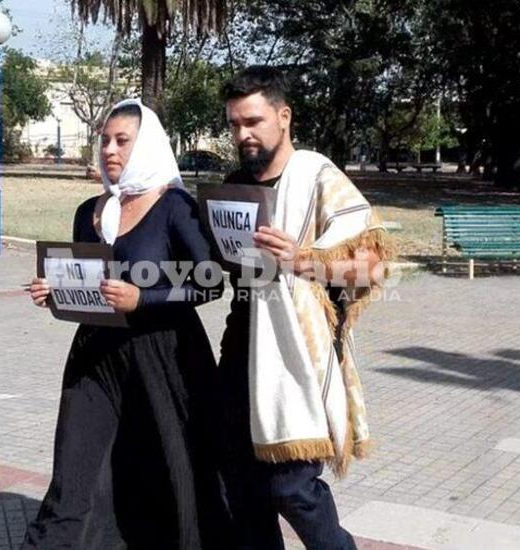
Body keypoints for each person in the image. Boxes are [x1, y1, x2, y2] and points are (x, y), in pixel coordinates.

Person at [23, 99, 228, 550]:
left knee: (172, 463)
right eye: (105, 141)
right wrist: (55, 292)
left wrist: (143, 298)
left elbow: (211, 282)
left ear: (146, 145)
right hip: (96, 356)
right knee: (77, 462)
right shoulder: (88, 211)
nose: (110, 150)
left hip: (165, 356)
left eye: (122, 141)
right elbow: (86, 283)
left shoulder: (174, 206)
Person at [216, 66, 392, 550]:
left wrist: (301, 260)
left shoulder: (317, 177)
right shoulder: (235, 184)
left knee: (291, 487)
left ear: (284, 116)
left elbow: (373, 266)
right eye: (234, 124)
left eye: (253, 121)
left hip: (298, 358)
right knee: (241, 487)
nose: (242, 134)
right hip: (240, 352)